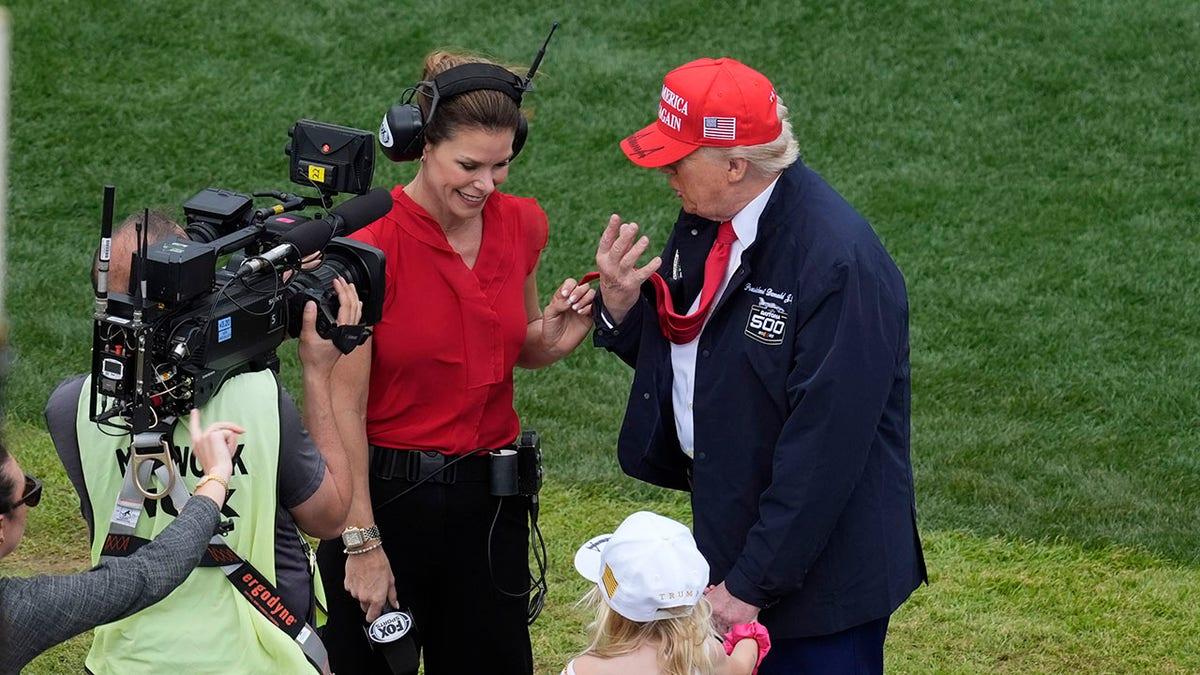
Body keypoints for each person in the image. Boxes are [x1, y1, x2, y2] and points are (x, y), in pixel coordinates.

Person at [590, 58, 927, 674]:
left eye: (677, 158)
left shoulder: (839, 264)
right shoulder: (705, 220)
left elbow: (823, 452)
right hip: (733, 542)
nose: (666, 175)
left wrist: (750, 585)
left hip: (821, 585)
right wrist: (620, 312)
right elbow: (699, 362)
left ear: (735, 165)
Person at [316, 49, 595, 674]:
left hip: (490, 505)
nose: (486, 185)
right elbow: (339, 409)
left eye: (501, 165)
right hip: (383, 501)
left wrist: (559, 331)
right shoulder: (367, 247)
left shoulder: (522, 223)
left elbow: (519, 343)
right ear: (420, 147)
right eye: (468, 165)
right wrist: (361, 543)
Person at [43, 212, 360, 673]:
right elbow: (329, 517)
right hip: (254, 658)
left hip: (127, 658)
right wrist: (318, 372)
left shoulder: (69, 408)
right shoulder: (259, 397)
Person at [0, 412, 241, 672]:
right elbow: (148, 573)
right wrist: (217, 474)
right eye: (29, 493)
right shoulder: (15, 612)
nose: (31, 503)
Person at [565, 511, 770, 675]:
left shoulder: (584, 668)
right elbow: (740, 668)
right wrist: (748, 632)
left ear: (607, 601)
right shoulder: (705, 655)